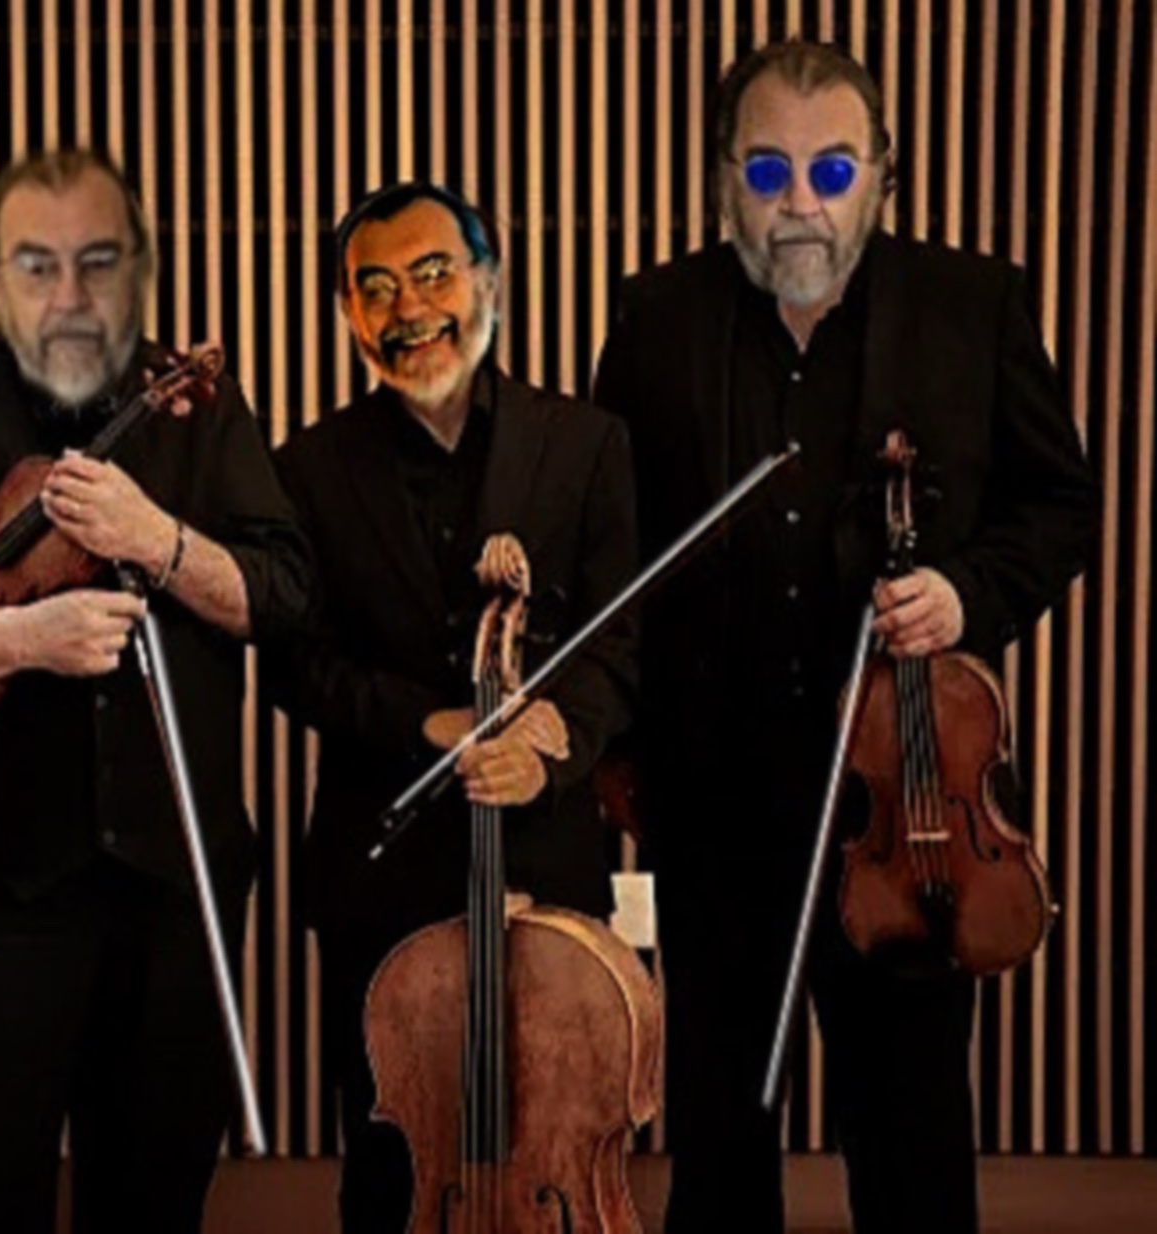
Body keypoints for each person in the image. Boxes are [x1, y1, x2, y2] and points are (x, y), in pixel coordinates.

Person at [592, 40, 1099, 1234]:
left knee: (912, 1135)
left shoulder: (973, 305)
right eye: (767, 169)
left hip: (907, 805)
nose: (800, 203)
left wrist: (967, 592)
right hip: (715, 800)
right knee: (717, 1140)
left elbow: (1060, 506)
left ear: (883, 173)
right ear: (723, 178)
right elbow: (609, 541)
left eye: (831, 169)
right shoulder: (656, 316)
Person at [0, 148, 311, 1234]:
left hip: (178, 893)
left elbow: (286, 598)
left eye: (98, 262)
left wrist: (157, 539)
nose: (69, 294)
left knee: (155, 1205)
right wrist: (20, 637)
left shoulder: (203, 414)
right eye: (37, 265)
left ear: (139, 272)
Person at [263, 182, 639, 1232]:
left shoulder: (586, 444)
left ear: (490, 283)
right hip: (380, 872)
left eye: (433, 274)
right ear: (347, 314)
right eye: (374, 287)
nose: (408, 308)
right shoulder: (306, 469)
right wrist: (427, 725)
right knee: (391, 1163)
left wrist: (553, 739)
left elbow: (619, 640)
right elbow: (295, 662)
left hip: (545, 866)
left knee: (561, 1136)